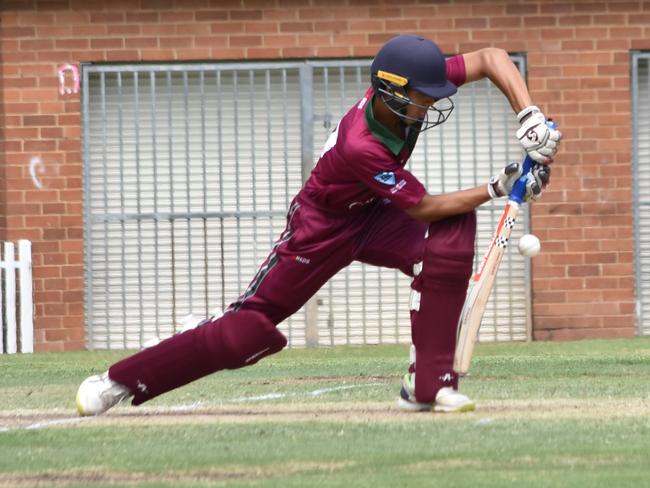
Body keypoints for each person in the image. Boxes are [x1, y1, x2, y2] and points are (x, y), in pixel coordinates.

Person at [76, 34, 560, 416]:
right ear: (393, 92)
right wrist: (500, 186)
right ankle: (118, 381)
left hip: (374, 213)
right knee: (249, 328)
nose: (431, 104)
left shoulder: (405, 90)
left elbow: (493, 58)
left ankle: (428, 384)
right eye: (424, 97)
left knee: (449, 241)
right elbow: (424, 207)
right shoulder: (361, 145)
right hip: (321, 227)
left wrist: (529, 115)